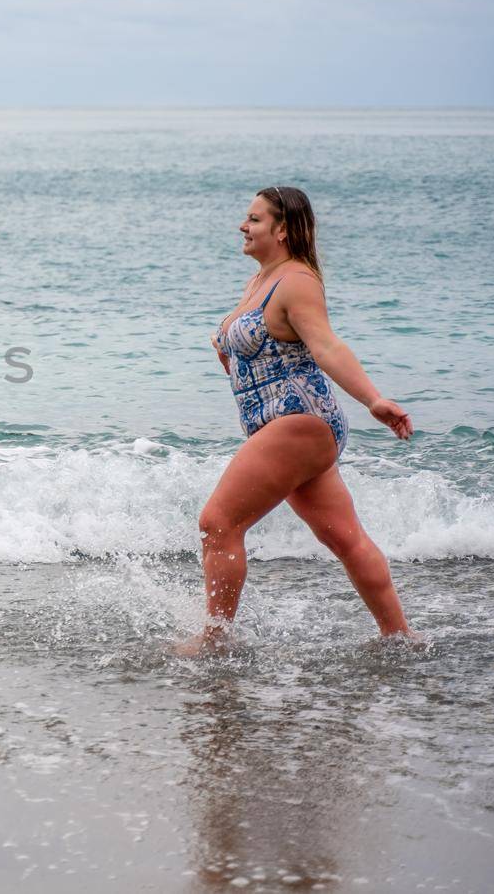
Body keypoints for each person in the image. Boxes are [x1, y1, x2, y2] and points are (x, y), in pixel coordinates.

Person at [176, 186, 415, 656]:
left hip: (299, 418)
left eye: (254, 219)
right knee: (345, 540)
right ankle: (401, 637)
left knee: (217, 523)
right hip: (285, 425)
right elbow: (261, 343)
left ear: (283, 229)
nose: (243, 226)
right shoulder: (263, 279)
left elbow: (326, 347)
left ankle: (215, 639)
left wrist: (373, 400)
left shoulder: (297, 281)